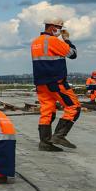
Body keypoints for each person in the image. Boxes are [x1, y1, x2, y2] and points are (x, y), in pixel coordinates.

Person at [30, 17, 79, 152]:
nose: (60, 31)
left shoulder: (35, 43)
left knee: (47, 111)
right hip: (56, 82)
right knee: (73, 107)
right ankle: (59, 135)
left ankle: (45, 142)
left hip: (41, 84)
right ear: (52, 27)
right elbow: (73, 54)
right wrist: (67, 39)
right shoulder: (52, 41)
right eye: (59, 28)